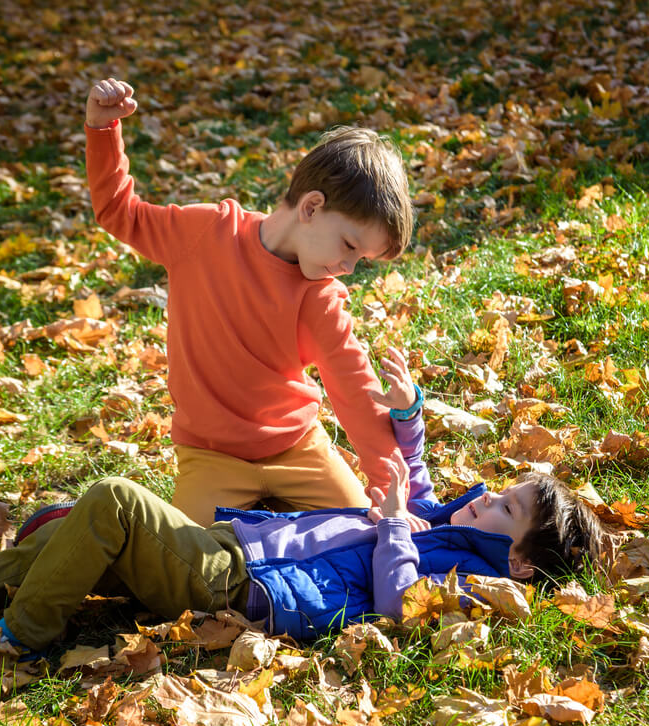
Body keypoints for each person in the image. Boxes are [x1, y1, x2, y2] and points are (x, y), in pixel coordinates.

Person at [0, 350, 604, 668]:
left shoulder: (470, 582)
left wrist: (392, 526)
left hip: (240, 586)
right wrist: (408, 417)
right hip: (234, 549)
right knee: (77, 533)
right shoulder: (445, 526)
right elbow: (415, 484)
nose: (489, 498)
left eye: (506, 508)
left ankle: (23, 635)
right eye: (503, 491)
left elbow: (400, 602)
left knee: (114, 500)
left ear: (518, 559)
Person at [84, 77, 414, 527]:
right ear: (311, 208)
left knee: (359, 535)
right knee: (189, 556)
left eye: (361, 259)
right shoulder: (204, 234)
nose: (348, 267)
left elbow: (356, 389)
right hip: (210, 455)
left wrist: (391, 492)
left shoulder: (319, 295)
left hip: (298, 448)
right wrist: (103, 130)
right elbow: (119, 212)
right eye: (350, 246)